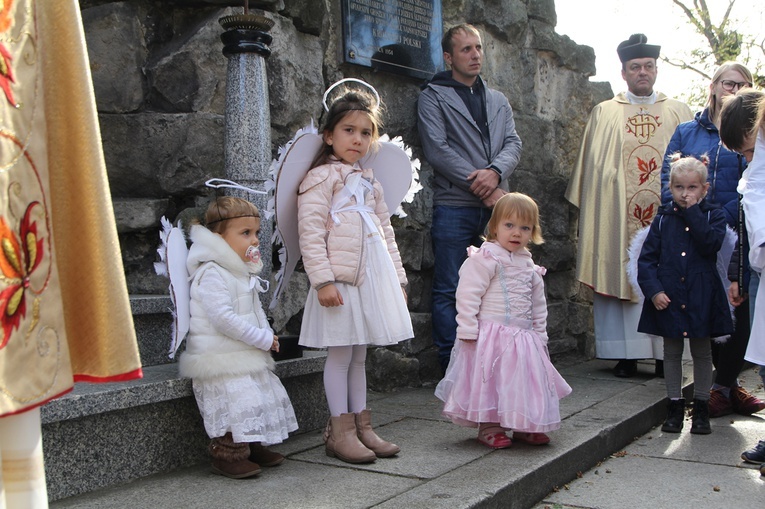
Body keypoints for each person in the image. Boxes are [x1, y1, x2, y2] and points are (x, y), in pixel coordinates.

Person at [297, 86, 413, 464]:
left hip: (370, 281)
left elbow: (386, 234)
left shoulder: (369, 183)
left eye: (365, 133)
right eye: (349, 130)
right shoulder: (321, 178)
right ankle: (339, 430)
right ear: (329, 135)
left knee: (360, 356)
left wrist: (397, 279)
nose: (358, 139)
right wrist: (323, 280)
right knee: (341, 355)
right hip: (340, 282)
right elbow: (311, 232)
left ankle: (364, 426)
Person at [565, 34, 693, 378]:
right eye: (635, 67)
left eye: (648, 67)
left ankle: (668, 354)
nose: (642, 73)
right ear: (623, 72)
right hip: (618, 216)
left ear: (655, 70)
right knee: (620, 270)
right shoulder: (605, 112)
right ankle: (625, 355)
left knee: (667, 275)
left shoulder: (678, 111)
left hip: (667, 216)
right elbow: (591, 171)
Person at [659, 63, 765, 418]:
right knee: (703, 302)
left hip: (735, 231)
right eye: (729, 83)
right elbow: (667, 176)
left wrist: (730, 222)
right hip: (691, 229)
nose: (735, 89)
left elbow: (750, 183)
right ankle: (721, 387)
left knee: (735, 307)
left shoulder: (750, 134)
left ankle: (725, 385)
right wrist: (681, 211)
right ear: (714, 86)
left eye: (744, 85)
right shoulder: (689, 131)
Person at [417, 23, 523, 373]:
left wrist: (494, 171)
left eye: (478, 48)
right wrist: (488, 187)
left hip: (497, 209)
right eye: (466, 49)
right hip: (455, 206)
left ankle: (496, 361)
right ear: (449, 57)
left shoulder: (497, 99)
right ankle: (454, 366)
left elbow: (513, 143)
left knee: (501, 283)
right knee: (451, 286)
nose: (475, 54)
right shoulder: (433, 95)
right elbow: (438, 150)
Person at [435, 193, 572, 449]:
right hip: (491, 335)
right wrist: (467, 326)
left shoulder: (528, 264)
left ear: (533, 232)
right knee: (492, 381)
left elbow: (538, 304)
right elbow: (467, 293)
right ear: (494, 226)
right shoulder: (486, 258)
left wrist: (540, 335)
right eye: (509, 225)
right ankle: (489, 425)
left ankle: (523, 424)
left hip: (523, 337)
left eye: (524, 227)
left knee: (521, 381)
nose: (516, 233)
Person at [179, 197, 298, 479]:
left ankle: (251, 443)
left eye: (256, 233)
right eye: (245, 233)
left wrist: (267, 334)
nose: (254, 240)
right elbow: (222, 319)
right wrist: (260, 339)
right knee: (239, 400)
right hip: (219, 357)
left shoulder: (239, 271)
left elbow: (255, 310)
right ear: (218, 236)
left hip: (243, 352)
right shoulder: (211, 272)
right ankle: (228, 453)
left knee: (259, 397)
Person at [637, 154, 733, 435]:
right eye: (679, 187)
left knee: (702, 351)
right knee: (672, 351)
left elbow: (710, 245)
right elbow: (647, 259)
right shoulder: (664, 217)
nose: (685, 193)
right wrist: (654, 291)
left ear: (704, 189)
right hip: (669, 294)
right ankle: (674, 405)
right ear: (670, 187)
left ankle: (701, 406)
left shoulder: (713, 215)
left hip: (701, 295)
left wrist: (693, 213)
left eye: (692, 188)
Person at [721, 90, 765, 473]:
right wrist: (740, 275)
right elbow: (746, 231)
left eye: (749, 152)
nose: (747, 162)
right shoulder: (754, 177)